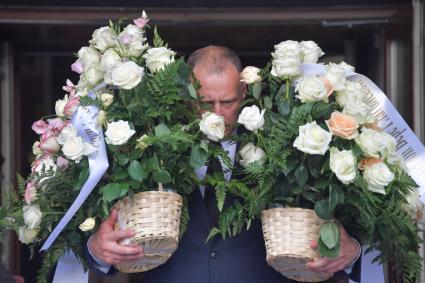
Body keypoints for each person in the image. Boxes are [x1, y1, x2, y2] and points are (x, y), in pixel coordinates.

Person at [86, 46, 361, 283]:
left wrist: (351, 253)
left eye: (227, 101)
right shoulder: (154, 148)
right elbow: (96, 239)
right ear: (187, 95)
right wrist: (97, 250)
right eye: (206, 102)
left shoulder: (285, 147)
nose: (218, 114)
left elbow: (355, 231)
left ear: (244, 91)